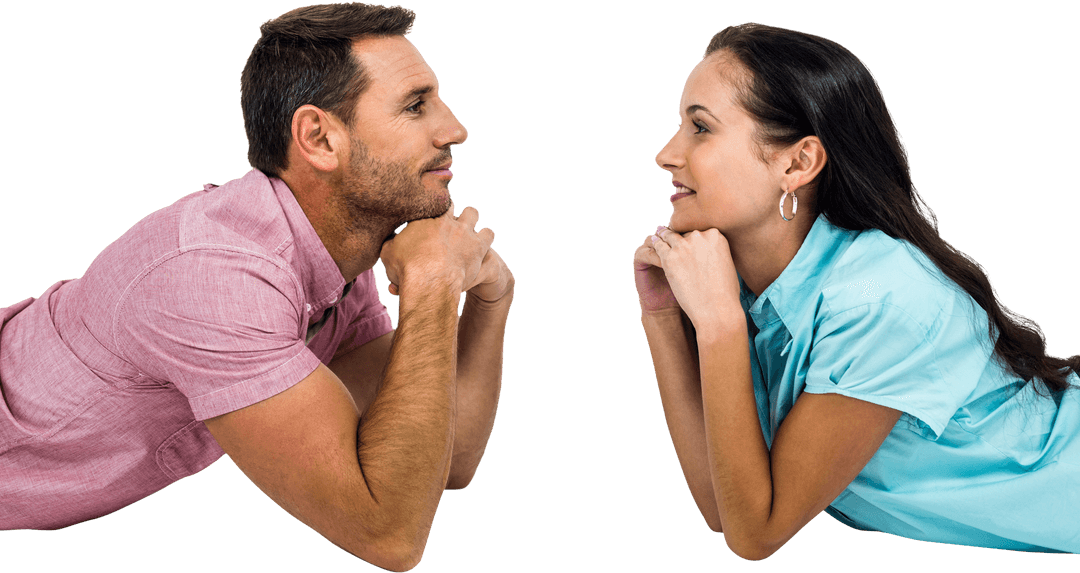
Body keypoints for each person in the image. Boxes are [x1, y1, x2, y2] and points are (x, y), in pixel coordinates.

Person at [0, 3, 513, 571]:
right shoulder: (215, 281)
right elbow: (388, 536)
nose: (455, 129)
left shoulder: (336, 257)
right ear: (318, 138)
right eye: (416, 106)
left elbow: (448, 459)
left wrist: (491, 298)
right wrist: (433, 285)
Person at [633, 22, 1080, 558]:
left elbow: (756, 534)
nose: (666, 153)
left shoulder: (880, 298)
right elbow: (723, 507)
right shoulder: (754, 292)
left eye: (700, 128)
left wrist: (719, 326)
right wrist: (663, 316)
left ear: (797, 163)